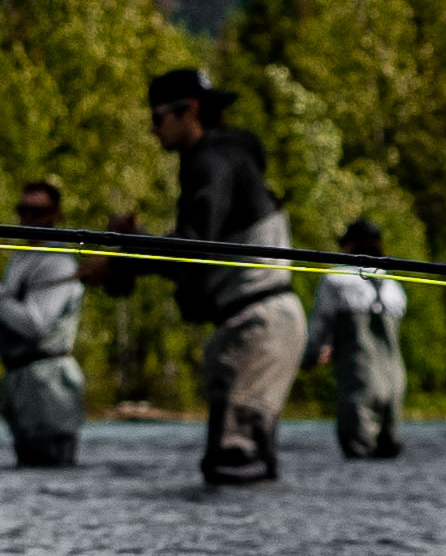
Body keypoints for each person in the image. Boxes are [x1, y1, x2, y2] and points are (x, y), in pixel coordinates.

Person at [99, 68, 300, 489]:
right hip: (263, 324)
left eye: (156, 119)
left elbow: (192, 249)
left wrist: (128, 247)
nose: (153, 132)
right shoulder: (227, 157)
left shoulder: (213, 160)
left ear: (188, 111)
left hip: (256, 325)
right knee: (246, 466)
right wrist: (126, 256)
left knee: (233, 464)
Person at [0, 178, 85, 467]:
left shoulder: (58, 261)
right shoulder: (22, 257)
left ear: (55, 215)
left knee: (51, 472)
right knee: (27, 471)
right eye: (23, 210)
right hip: (20, 380)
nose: (28, 218)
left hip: (49, 384)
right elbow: (8, 317)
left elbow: (34, 324)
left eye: (38, 212)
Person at [304, 216, 413, 461]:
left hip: (360, 384)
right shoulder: (394, 284)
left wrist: (310, 358)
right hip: (396, 384)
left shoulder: (335, 279)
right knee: (388, 458)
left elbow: (320, 325)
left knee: (357, 460)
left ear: (349, 246)